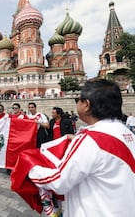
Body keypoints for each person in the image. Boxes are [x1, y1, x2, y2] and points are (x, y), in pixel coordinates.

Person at [28, 79, 135, 216]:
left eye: (78, 99)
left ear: (86, 105)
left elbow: (60, 181)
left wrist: (32, 169)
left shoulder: (90, 139)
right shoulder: (126, 132)